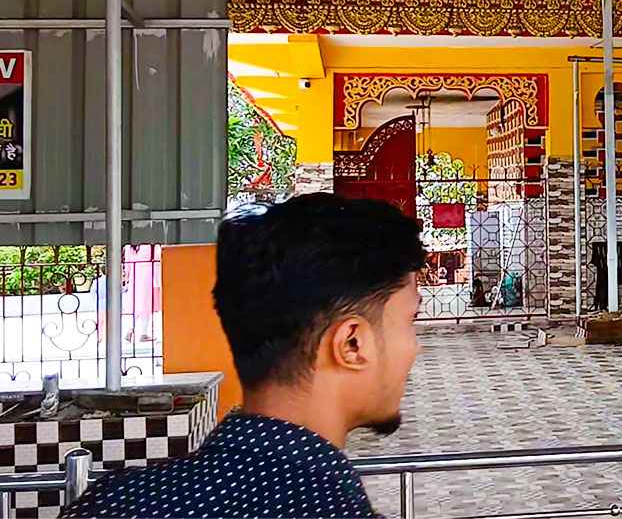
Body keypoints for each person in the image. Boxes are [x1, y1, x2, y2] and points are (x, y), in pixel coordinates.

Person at [64, 193, 426, 518]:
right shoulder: (335, 508)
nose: (415, 346)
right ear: (351, 344)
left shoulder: (112, 502)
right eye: (411, 319)